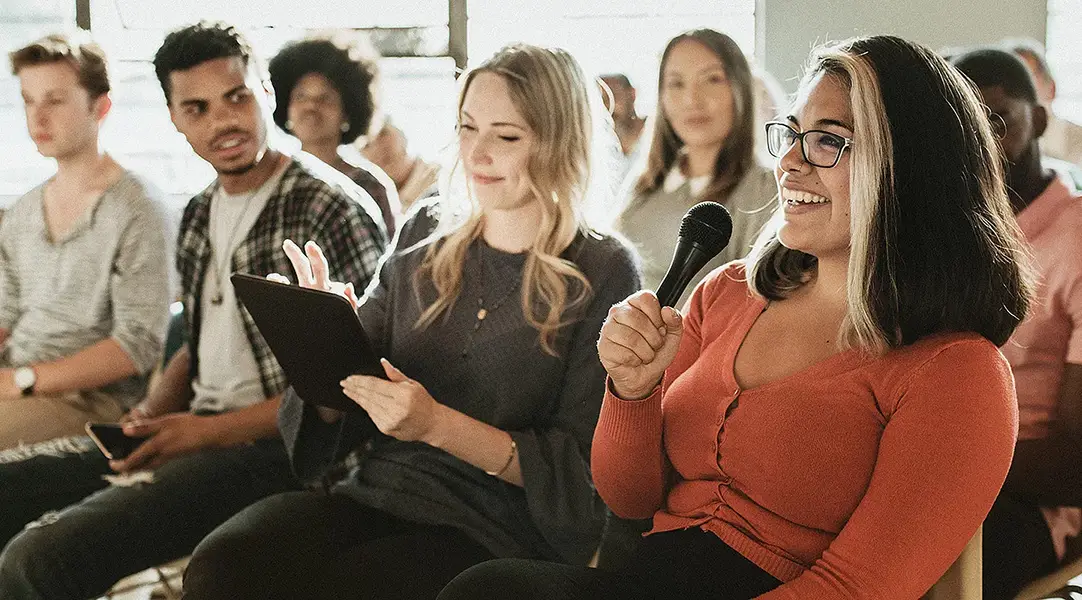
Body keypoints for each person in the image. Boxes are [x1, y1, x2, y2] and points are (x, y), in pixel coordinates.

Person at [438, 34, 1032, 600]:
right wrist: (632, 390)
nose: (791, 164)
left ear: (911, 168)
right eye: (791, 135)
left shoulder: (958, 372)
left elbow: (860, 588)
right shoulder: (729, 293)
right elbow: (629, 498)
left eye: (829, 140)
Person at [180, 43, 640, 600]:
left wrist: (437, 425)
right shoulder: (428, 226)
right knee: (224, 563)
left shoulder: (602, 268)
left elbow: (581, 472)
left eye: (506, 135)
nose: (478, 153)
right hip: (379, 491)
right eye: (468, 128)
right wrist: (323, 333)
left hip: (494, 526)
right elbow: (340, 403)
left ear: (560, 141)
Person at [0, 21, 387, 600]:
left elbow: (351, 388)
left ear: (266, 93)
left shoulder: (327, 205)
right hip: (194, 431)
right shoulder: (201, 211)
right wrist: (152, 414)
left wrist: (201, 434)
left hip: (279, 454)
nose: (222, 122)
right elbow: (198, 340)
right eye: (196, 108)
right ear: (175, 119)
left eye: (237, 97)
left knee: (38, 558)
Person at [951, 47, 1082, 600]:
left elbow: (1076, 460)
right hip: (937, 467)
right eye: (962, 124)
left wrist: (937, 460)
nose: (978, 141)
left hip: (1031, 501)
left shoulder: (1074, 239)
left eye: (998, 120)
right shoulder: (947, 233)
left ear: (1041, 120)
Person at [0, 33, 171, 449]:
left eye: (55, 101)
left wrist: (23, 380)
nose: (37, 118)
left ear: (100, 106)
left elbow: (138, 345)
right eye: (28, 100)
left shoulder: (137, 208)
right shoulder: (23, 210)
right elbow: (4, 313)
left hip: (93, 401)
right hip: (15, 383)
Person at [615, 29, 775, 308]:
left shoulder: (762, 191)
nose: (692, 100)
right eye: (676, 83)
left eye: (712, 79)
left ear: (740, 89)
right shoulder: (645, 183)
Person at [269, 36, 400, 237]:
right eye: (301, 96)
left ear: (347, 112)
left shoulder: (371, 186)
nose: (311, 106)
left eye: (325, 98)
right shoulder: (269, 181)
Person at [1004, 38, 1082, 168]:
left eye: (1027, 78)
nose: (1018, 91)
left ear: (1051, 89)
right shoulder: (998, 141)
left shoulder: (1077, 140)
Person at [361, 116, 440, 212]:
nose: (377, 148)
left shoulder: (442, 178)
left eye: (383, 133)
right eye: (367, 145)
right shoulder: (375, 205)